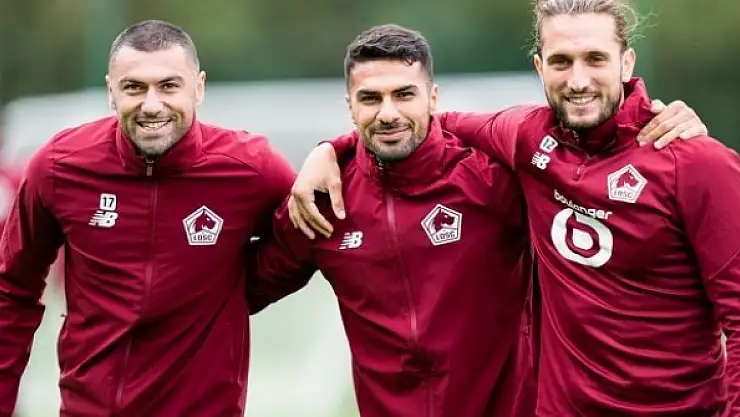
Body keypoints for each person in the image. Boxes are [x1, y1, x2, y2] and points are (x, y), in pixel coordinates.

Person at [289, 2, 740, 417]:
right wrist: (330, 148)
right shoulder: (526, 136)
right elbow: (419, 123)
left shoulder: (695, 163)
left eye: (595, 59)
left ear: (626, 63)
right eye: (561, 62)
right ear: (540, 67)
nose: (578, 80)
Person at [0, 20, 295, 416]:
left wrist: (247, 287)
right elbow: (11, 290)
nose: (152, 105)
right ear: (111, 91)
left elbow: (309, 235)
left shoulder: (252, 168)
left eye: (169, 86)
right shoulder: (59, 167)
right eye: (134, 87)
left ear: (199, 88)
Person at [247, 24, 535, 417]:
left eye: (404, 94)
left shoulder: (492, 182)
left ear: (432, 98)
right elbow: (238, 291)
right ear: (350, 106)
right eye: (370, 98)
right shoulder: (325, 201)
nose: (387, 113)